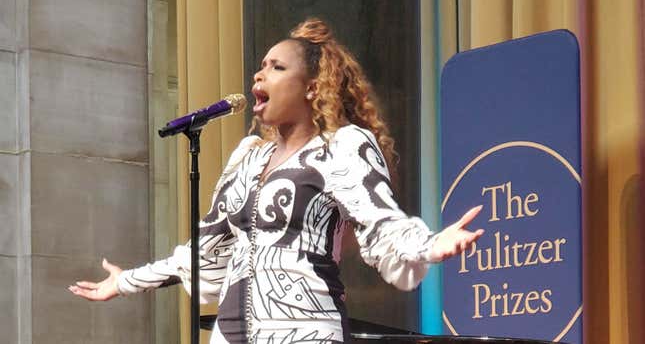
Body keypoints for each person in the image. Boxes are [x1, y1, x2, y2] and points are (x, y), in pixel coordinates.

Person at [69, 18, 484, 343]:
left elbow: (381, 222)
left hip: (306, 330)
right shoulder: (249, 157)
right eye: (261, 66)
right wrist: (125, 282)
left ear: (311, 87)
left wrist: (428, 245)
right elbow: (204, 253)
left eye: (277, 67)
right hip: (231, 333)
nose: (259, 76)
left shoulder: (340, 147)